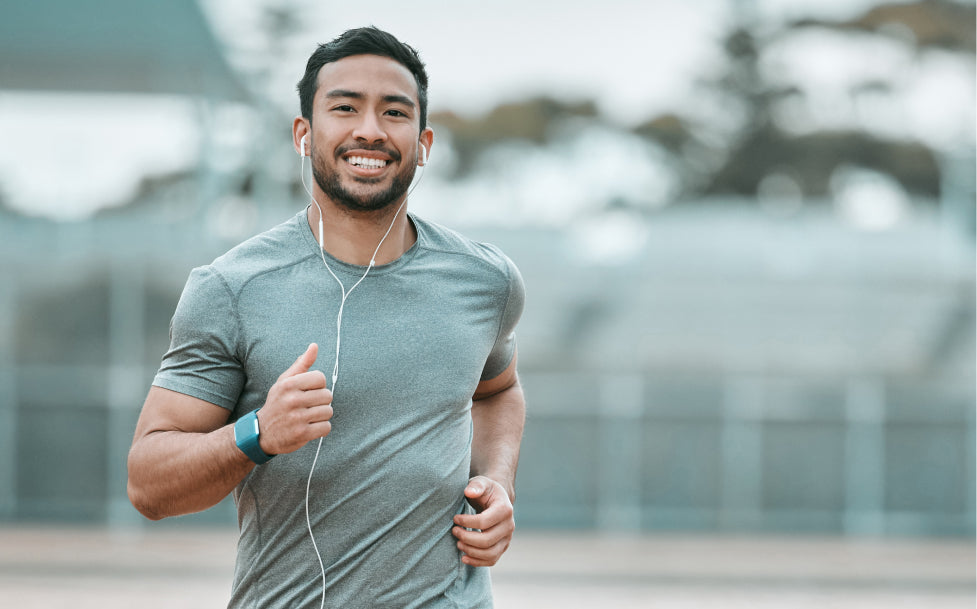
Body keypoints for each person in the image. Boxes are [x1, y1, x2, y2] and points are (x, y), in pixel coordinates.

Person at [126, 26, 526, 609]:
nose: (370, 129)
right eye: (345, 108)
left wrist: (497, 480)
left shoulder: (486, 281)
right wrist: (256, 434)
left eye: (394, 111)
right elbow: (148, 484)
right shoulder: (231, 288)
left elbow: (499, 390)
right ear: (303, 134)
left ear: (425, 141)